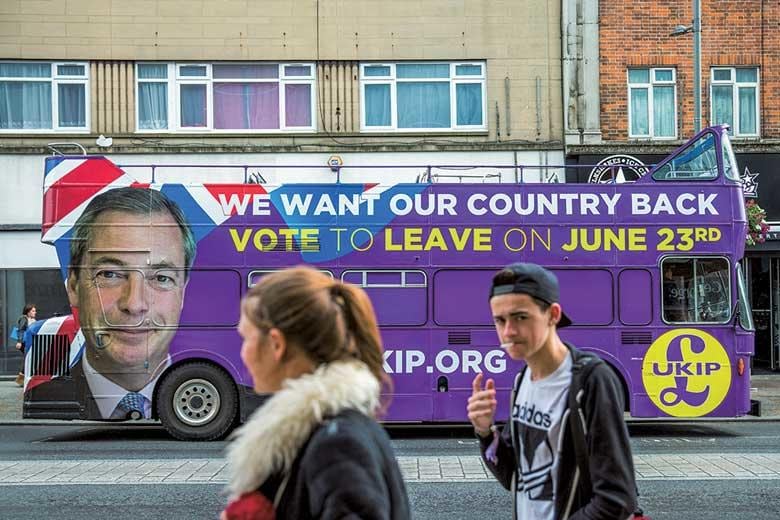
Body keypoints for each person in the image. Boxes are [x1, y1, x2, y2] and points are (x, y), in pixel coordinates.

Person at [222, 266, 410, 520]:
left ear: (276, 344)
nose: (243, 352)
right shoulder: (326, 430)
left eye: (247, 338)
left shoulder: (337, 443)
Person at [467, 262, 637, 519]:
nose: (508, 332)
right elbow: (515, 478)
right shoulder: (522, 380)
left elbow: (617, 499)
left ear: (553, 315)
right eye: (500, 320)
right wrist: (485, 432)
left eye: (521, 317)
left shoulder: (591, 381)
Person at [30, 187, 195, 420]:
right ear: (74, 286)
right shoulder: (44, 399)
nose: (134, 304)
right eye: (109, 274)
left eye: (161, 277)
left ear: (183, 293)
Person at [14, 304, 37, 386]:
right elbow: (20, 330)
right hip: (24, 342)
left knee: (29, 358)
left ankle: (22, 378)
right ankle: (21, 378)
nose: (35, 312)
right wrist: (19, 342)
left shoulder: (32, 320)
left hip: (29, 342)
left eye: (35, 311)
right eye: (33, 311)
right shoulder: (24, 319)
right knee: (28, 358)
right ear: (28, 312)